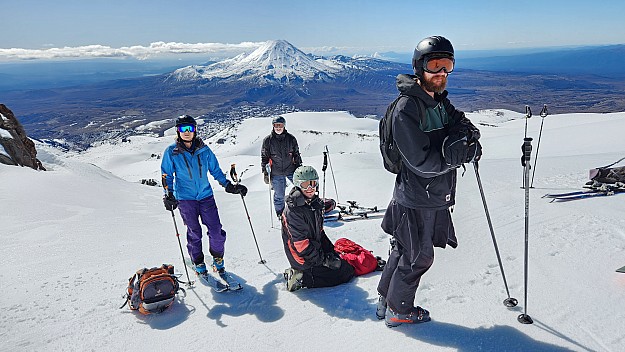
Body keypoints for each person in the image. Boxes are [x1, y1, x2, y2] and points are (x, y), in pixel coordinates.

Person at [376, 36, 482, 327]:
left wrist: (467, 138)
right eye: (435, 65)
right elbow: (422, 162)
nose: (442, 73)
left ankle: (386, 297)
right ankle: (399, 311)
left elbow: (461, 122)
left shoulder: (436, 101)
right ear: (419, 67)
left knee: (403, 249)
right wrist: (456, 156)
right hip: (416, 198)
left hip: (427, 194)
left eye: (448, 66)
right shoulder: (408, 108)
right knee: (418, 257)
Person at [161, 115, 248, 275]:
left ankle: (218, 258)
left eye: (190, 128)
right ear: (177, 131)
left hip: (206, 196)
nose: (186, 132)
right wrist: (169, 195)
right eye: (182, 129)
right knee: (194, 232)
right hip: (185, 199)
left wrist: (228, 185)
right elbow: (167, 174)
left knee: (216, 230)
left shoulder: (204, 150)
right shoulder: (171, 152)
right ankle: (198, 261)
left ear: (195, 130)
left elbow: (215, 170)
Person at [281, 165, 355, 291]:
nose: (310, 189)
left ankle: (312, 272)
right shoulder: (294, 211)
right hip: (301, 258)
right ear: (298, 185)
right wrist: (324, 261)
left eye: (313, 184)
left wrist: (331, 252)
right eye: (305, 185)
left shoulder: (315, 204)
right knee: (343, 274)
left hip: (313, 250)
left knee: (343, 266)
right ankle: (301, 277)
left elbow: (320, 232)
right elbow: (302, 246)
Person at [261, 116, 302, 220]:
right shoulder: (268, 141)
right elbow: (264, 157)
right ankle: (280, 213)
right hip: (276, 172)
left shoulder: (291, 139)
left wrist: (299, 168)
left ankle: (304, 208)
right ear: (273, 126)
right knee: (279, 195)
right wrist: (265, 173)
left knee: (302, 188)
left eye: (280, 125)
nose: (278, 128)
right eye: (276, 125)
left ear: (284, 126)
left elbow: (296, 154)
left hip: (291, 169)